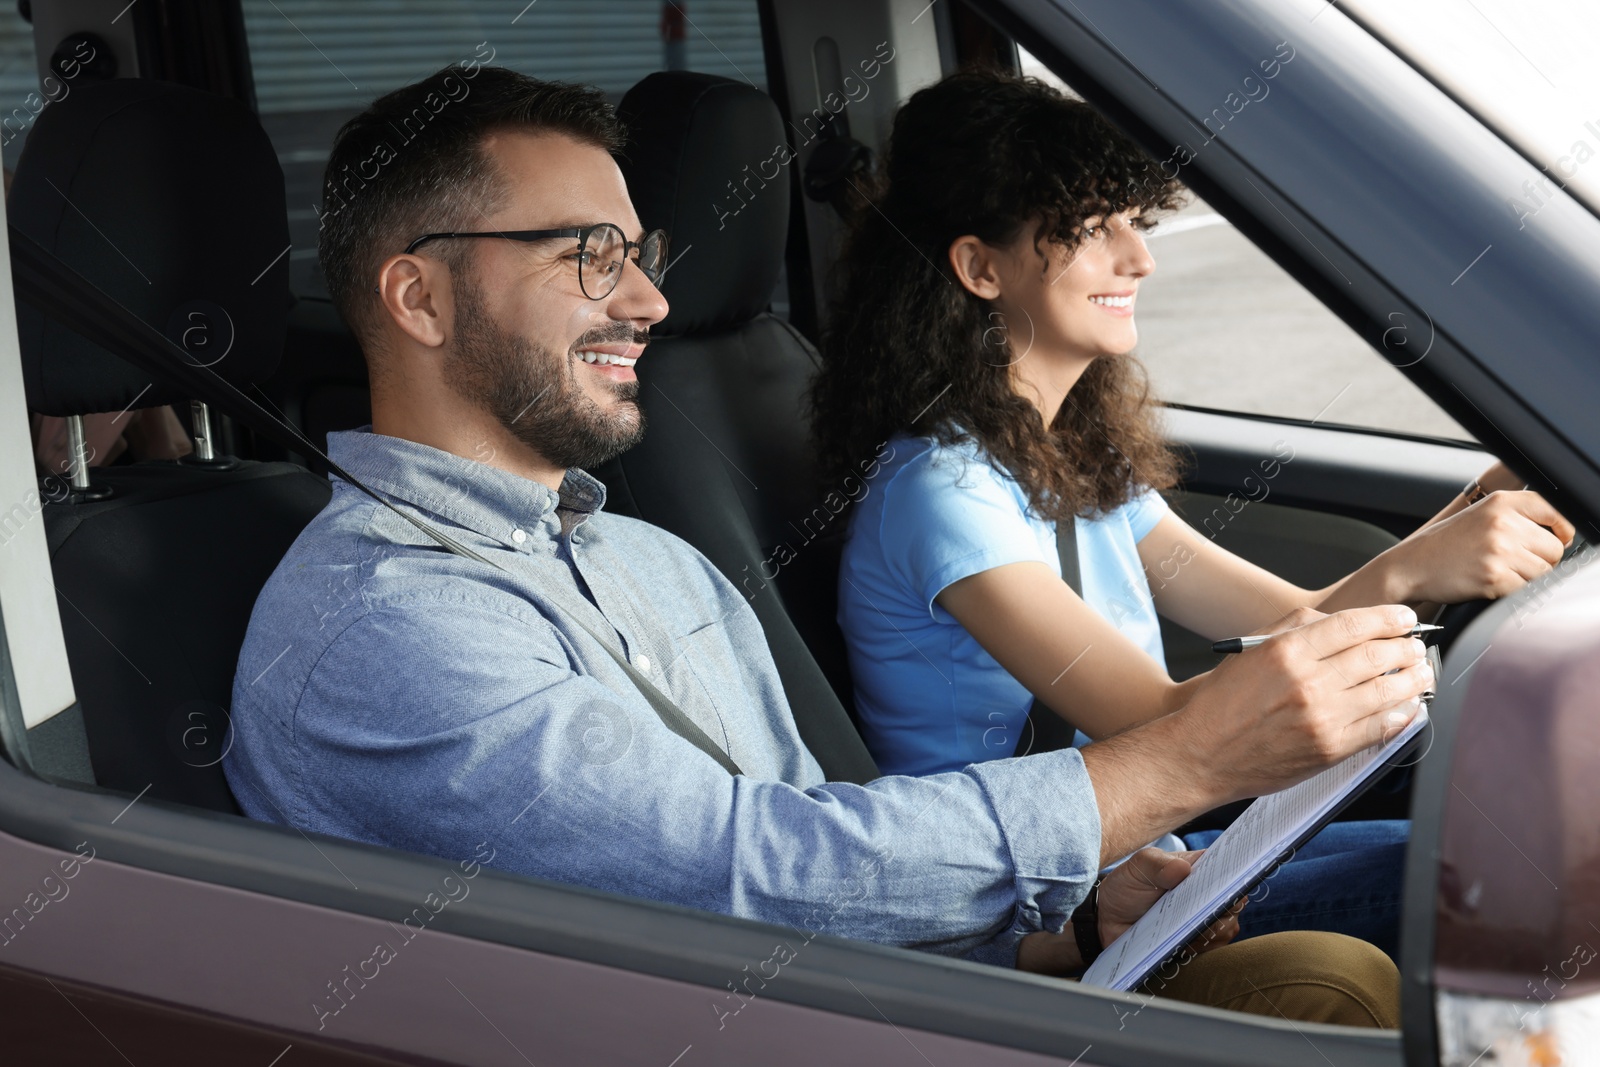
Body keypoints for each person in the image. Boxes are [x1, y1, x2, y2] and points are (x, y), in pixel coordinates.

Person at [226, 65, 1434, 1027]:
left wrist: (1059, 934)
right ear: (418, 298)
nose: (646, 300)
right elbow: (736, 874)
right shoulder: (384, 618)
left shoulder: (650, 558)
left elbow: (819, 845)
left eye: (640, 255)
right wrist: (1175, 766)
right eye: (589, 254)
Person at [811, 69, 1574, 960]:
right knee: (1507, 875)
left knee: (1510, 849)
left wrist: (1478, 504)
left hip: (1143, 862)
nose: (1140, 259)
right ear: (981, 267)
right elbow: (1167, 725)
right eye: (1094, 232)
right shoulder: (941, 493)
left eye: (1133, 223)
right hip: (1030, 912)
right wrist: (1411, 573)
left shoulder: (1068, 455)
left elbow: (1289, 621)